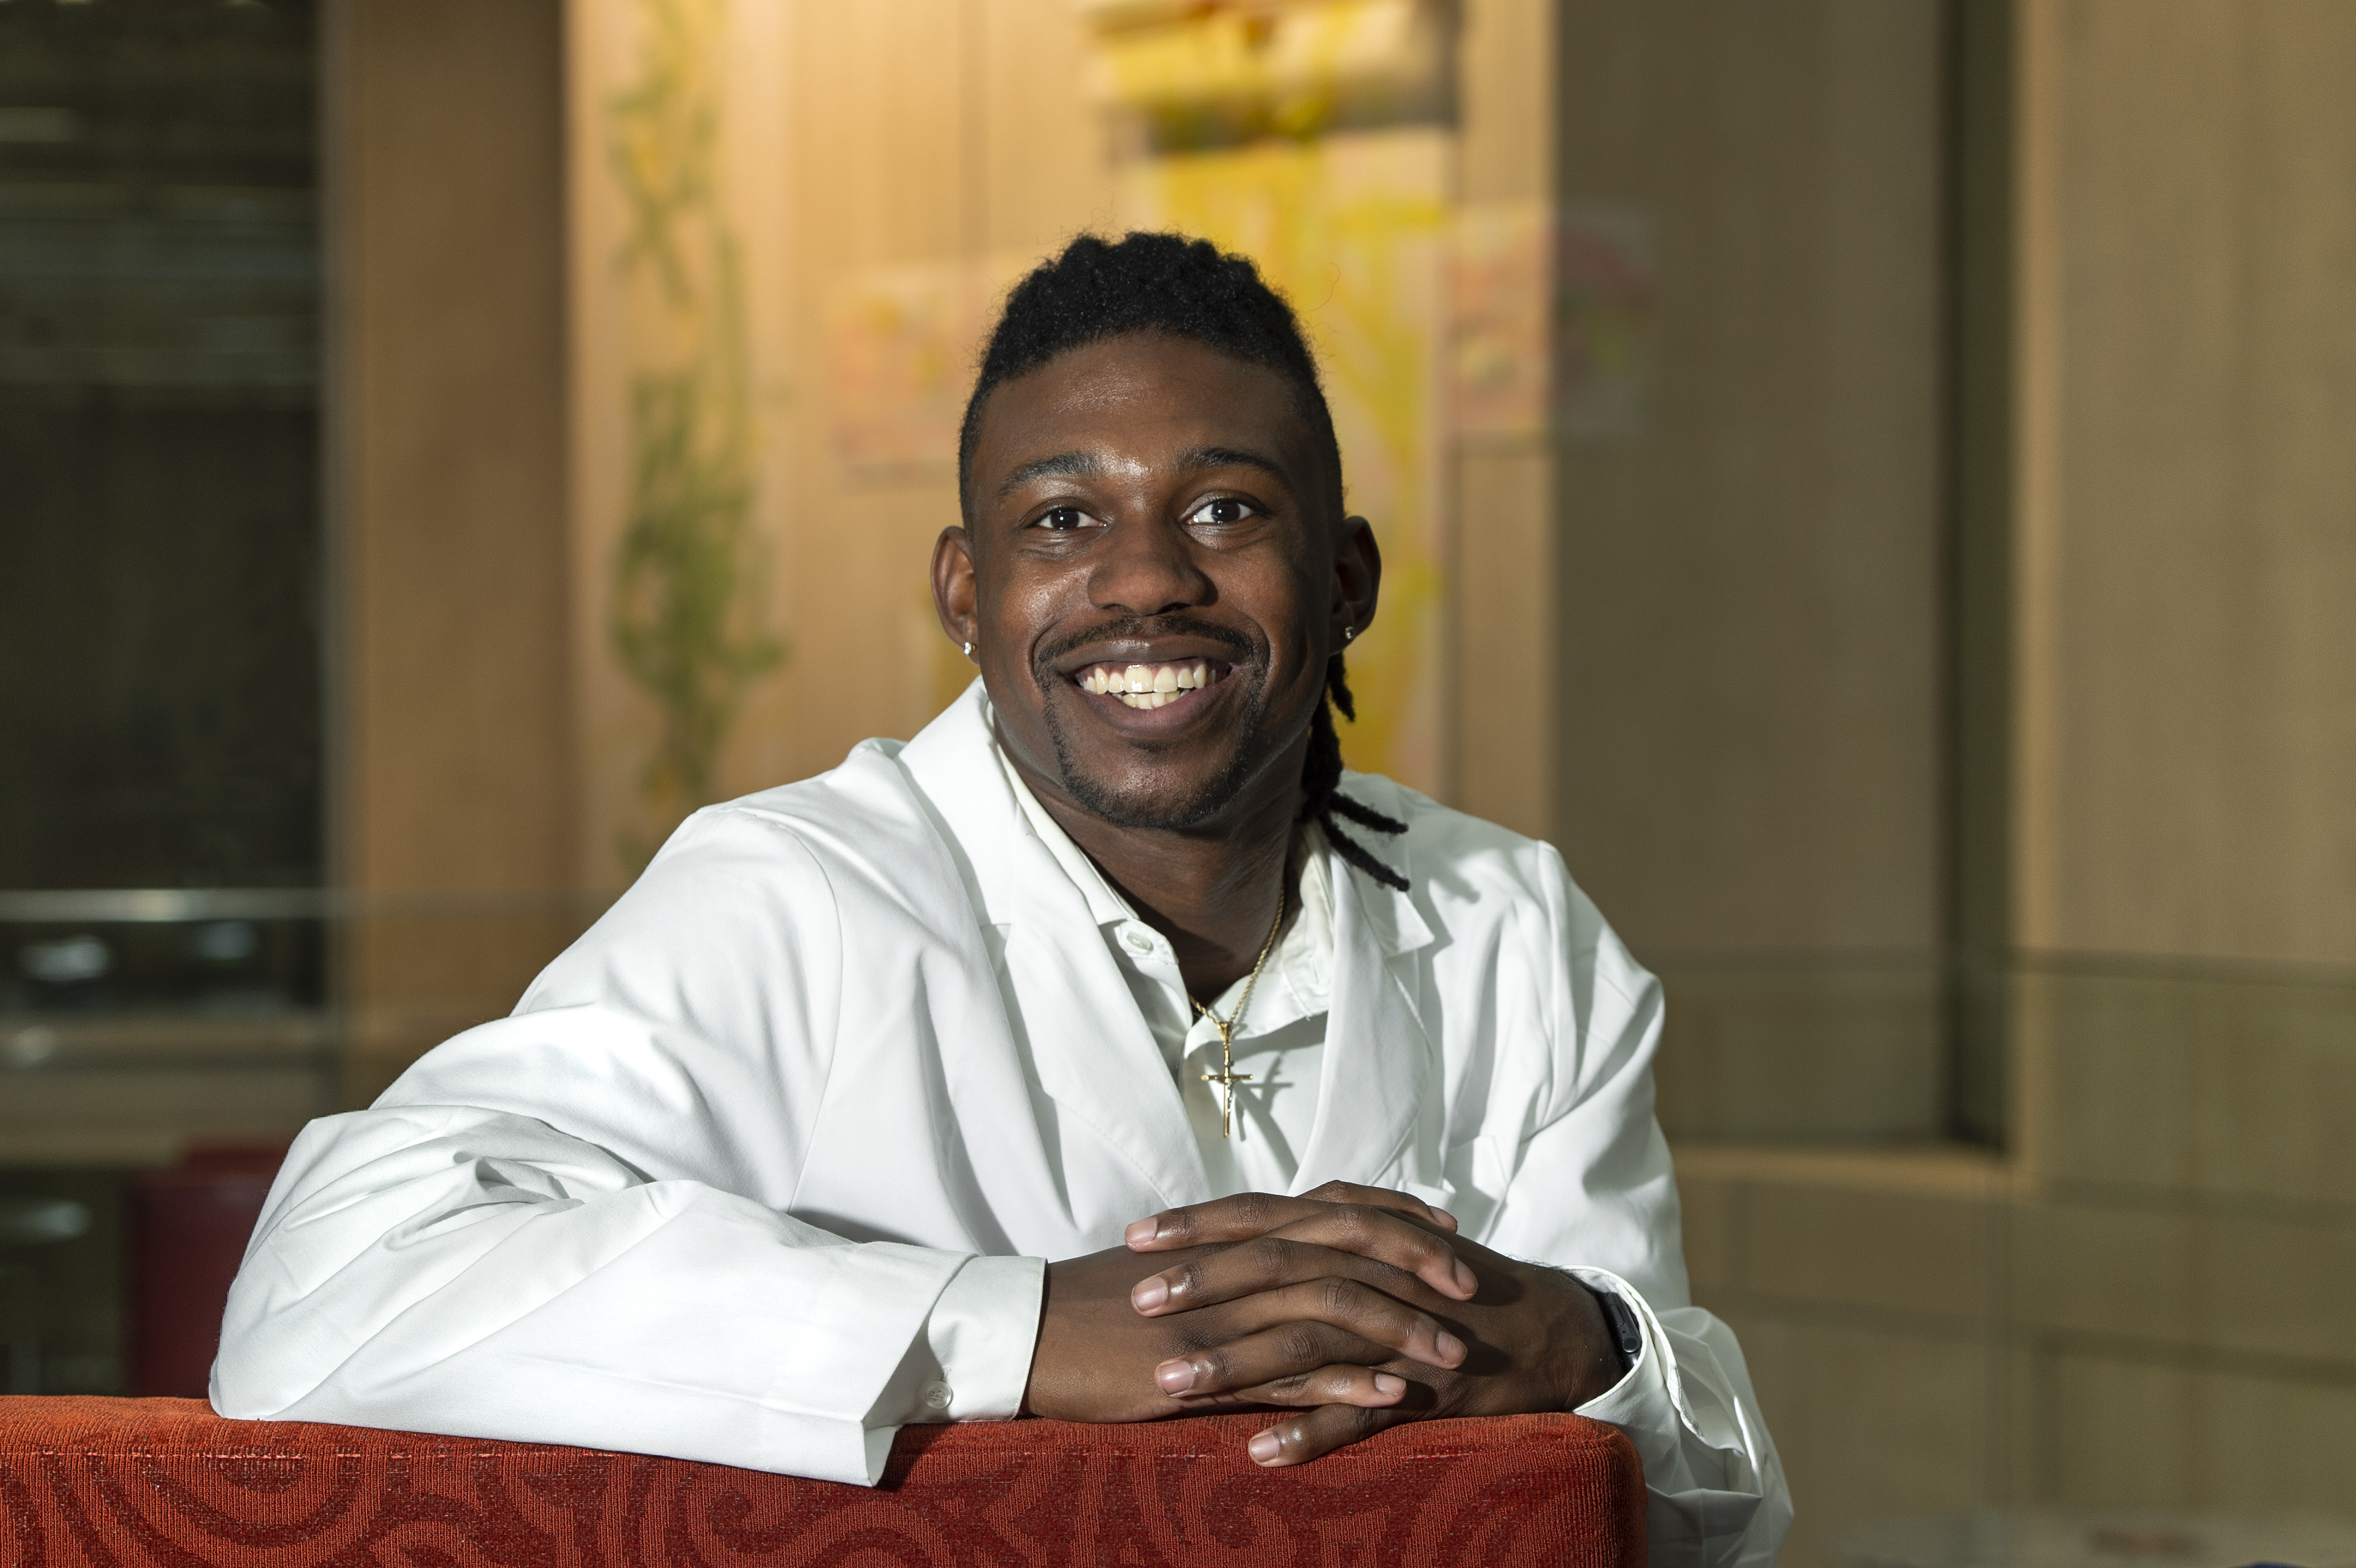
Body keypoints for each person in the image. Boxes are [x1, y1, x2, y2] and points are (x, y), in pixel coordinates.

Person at [215, 232, 1790, 1567]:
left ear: (1348, 579)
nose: (1146, 578)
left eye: (1226, 509)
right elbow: (324, 1287)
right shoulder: (801, 895)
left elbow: (1709, 1510)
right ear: (968, 593)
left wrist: (1591, 1349)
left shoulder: (1510, 923)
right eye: (1060, 520)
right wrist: (1016, 1332)